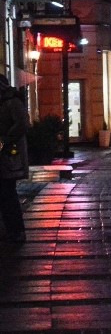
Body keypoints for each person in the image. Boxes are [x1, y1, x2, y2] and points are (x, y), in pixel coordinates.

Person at [0, 74, 29, 243]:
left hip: (10, 157)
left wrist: (4, 140)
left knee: (7, 194)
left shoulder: (11, 102)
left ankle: (16, 231)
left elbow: (22, 125)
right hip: (5, 155)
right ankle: (11, 230)